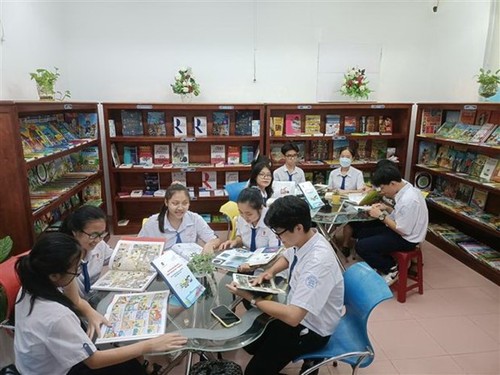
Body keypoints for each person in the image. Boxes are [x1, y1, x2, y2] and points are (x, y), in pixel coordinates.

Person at [14, 232, 187, 375]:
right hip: (57, 371)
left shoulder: (33, 282)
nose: (77, 272)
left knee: (130, 359)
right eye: (76, 268)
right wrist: (149, 345)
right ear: (54, 276)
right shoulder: (56, 315)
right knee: (131, 365)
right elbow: (94, 361)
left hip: (41, 362)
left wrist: (89, 311)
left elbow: (73, 298)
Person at [227, 196, 344, 375]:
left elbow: (293, 317)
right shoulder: (306, 238)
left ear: (298, 227)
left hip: (311, 328)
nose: (277, 237)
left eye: (279, 232)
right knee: (252, 345)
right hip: (297, 312)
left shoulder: (318, 262)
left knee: (253, 372)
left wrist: (251, 297)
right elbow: (288, 257)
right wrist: (270, 272)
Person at [354, 163, 428, 285]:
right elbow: (401, 216)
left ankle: (391, 268)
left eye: (382, 188)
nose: (382, 192)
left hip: (407, 239)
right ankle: (383, 264)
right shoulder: (405, 188)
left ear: (393, 183)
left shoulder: (408, 199)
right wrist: (386, 208)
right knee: (362, 232)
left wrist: (381, 216)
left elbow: (402, 230)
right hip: (402, 231)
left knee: (361, 246)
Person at [139, 183, 221, 253]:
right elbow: (137, 246)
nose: (180, 208)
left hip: (189, 263)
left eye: (185, 203)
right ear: (166, 202)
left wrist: (210, 244)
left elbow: (215, 239)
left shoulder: (195, 219)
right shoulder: (152, 222)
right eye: (175, 203)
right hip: (164, 265)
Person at [60, 205, 112, 298]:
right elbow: (75, 302)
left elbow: (116, 258)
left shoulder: (99, 243)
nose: (97, 240)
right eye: (93, 235)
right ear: (75, 232)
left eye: (102, 234)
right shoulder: (65, 257)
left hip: (91, 298)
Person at [327, 147, 367, 258]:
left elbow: (361, 190)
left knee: (348, 220)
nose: (344, 159)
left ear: (353, 158)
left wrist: (346, 191)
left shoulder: (357, 173)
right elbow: (329, 188)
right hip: (335, 201)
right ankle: (331, 241)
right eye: (342, 157)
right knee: (330, 216)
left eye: (347, 157)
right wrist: (334, 192)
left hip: (351, 202)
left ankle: (345, 245)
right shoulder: (333, 173)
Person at [219, 187, 279, 252]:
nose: (244, 217)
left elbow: (275, 251)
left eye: (249, 214)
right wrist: (235, 242)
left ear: (260, 208)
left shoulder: (272, 221)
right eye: (241, 212)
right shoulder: (241, 218)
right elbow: (241, 237)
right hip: (248, 257)